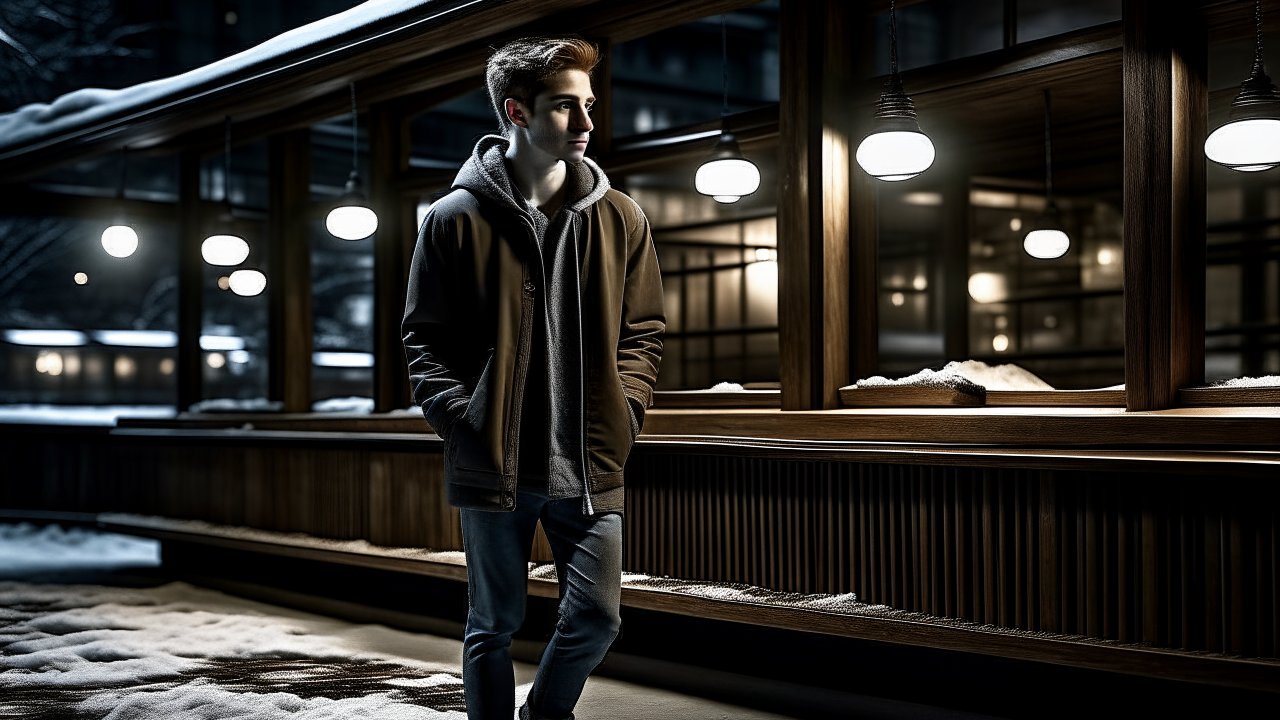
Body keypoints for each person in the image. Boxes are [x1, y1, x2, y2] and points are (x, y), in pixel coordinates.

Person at [401, 36, 665, 720]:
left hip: (590, 461)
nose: (585, 124)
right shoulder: (453, 220)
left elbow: (644, 334)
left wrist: (627, 407)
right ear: (517, 113)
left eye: (588, 106)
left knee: (598, 620)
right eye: (564, 108)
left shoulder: (621, 217)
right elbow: (423, 339)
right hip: (495, 462)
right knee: (494, 624)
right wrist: (464, 419)